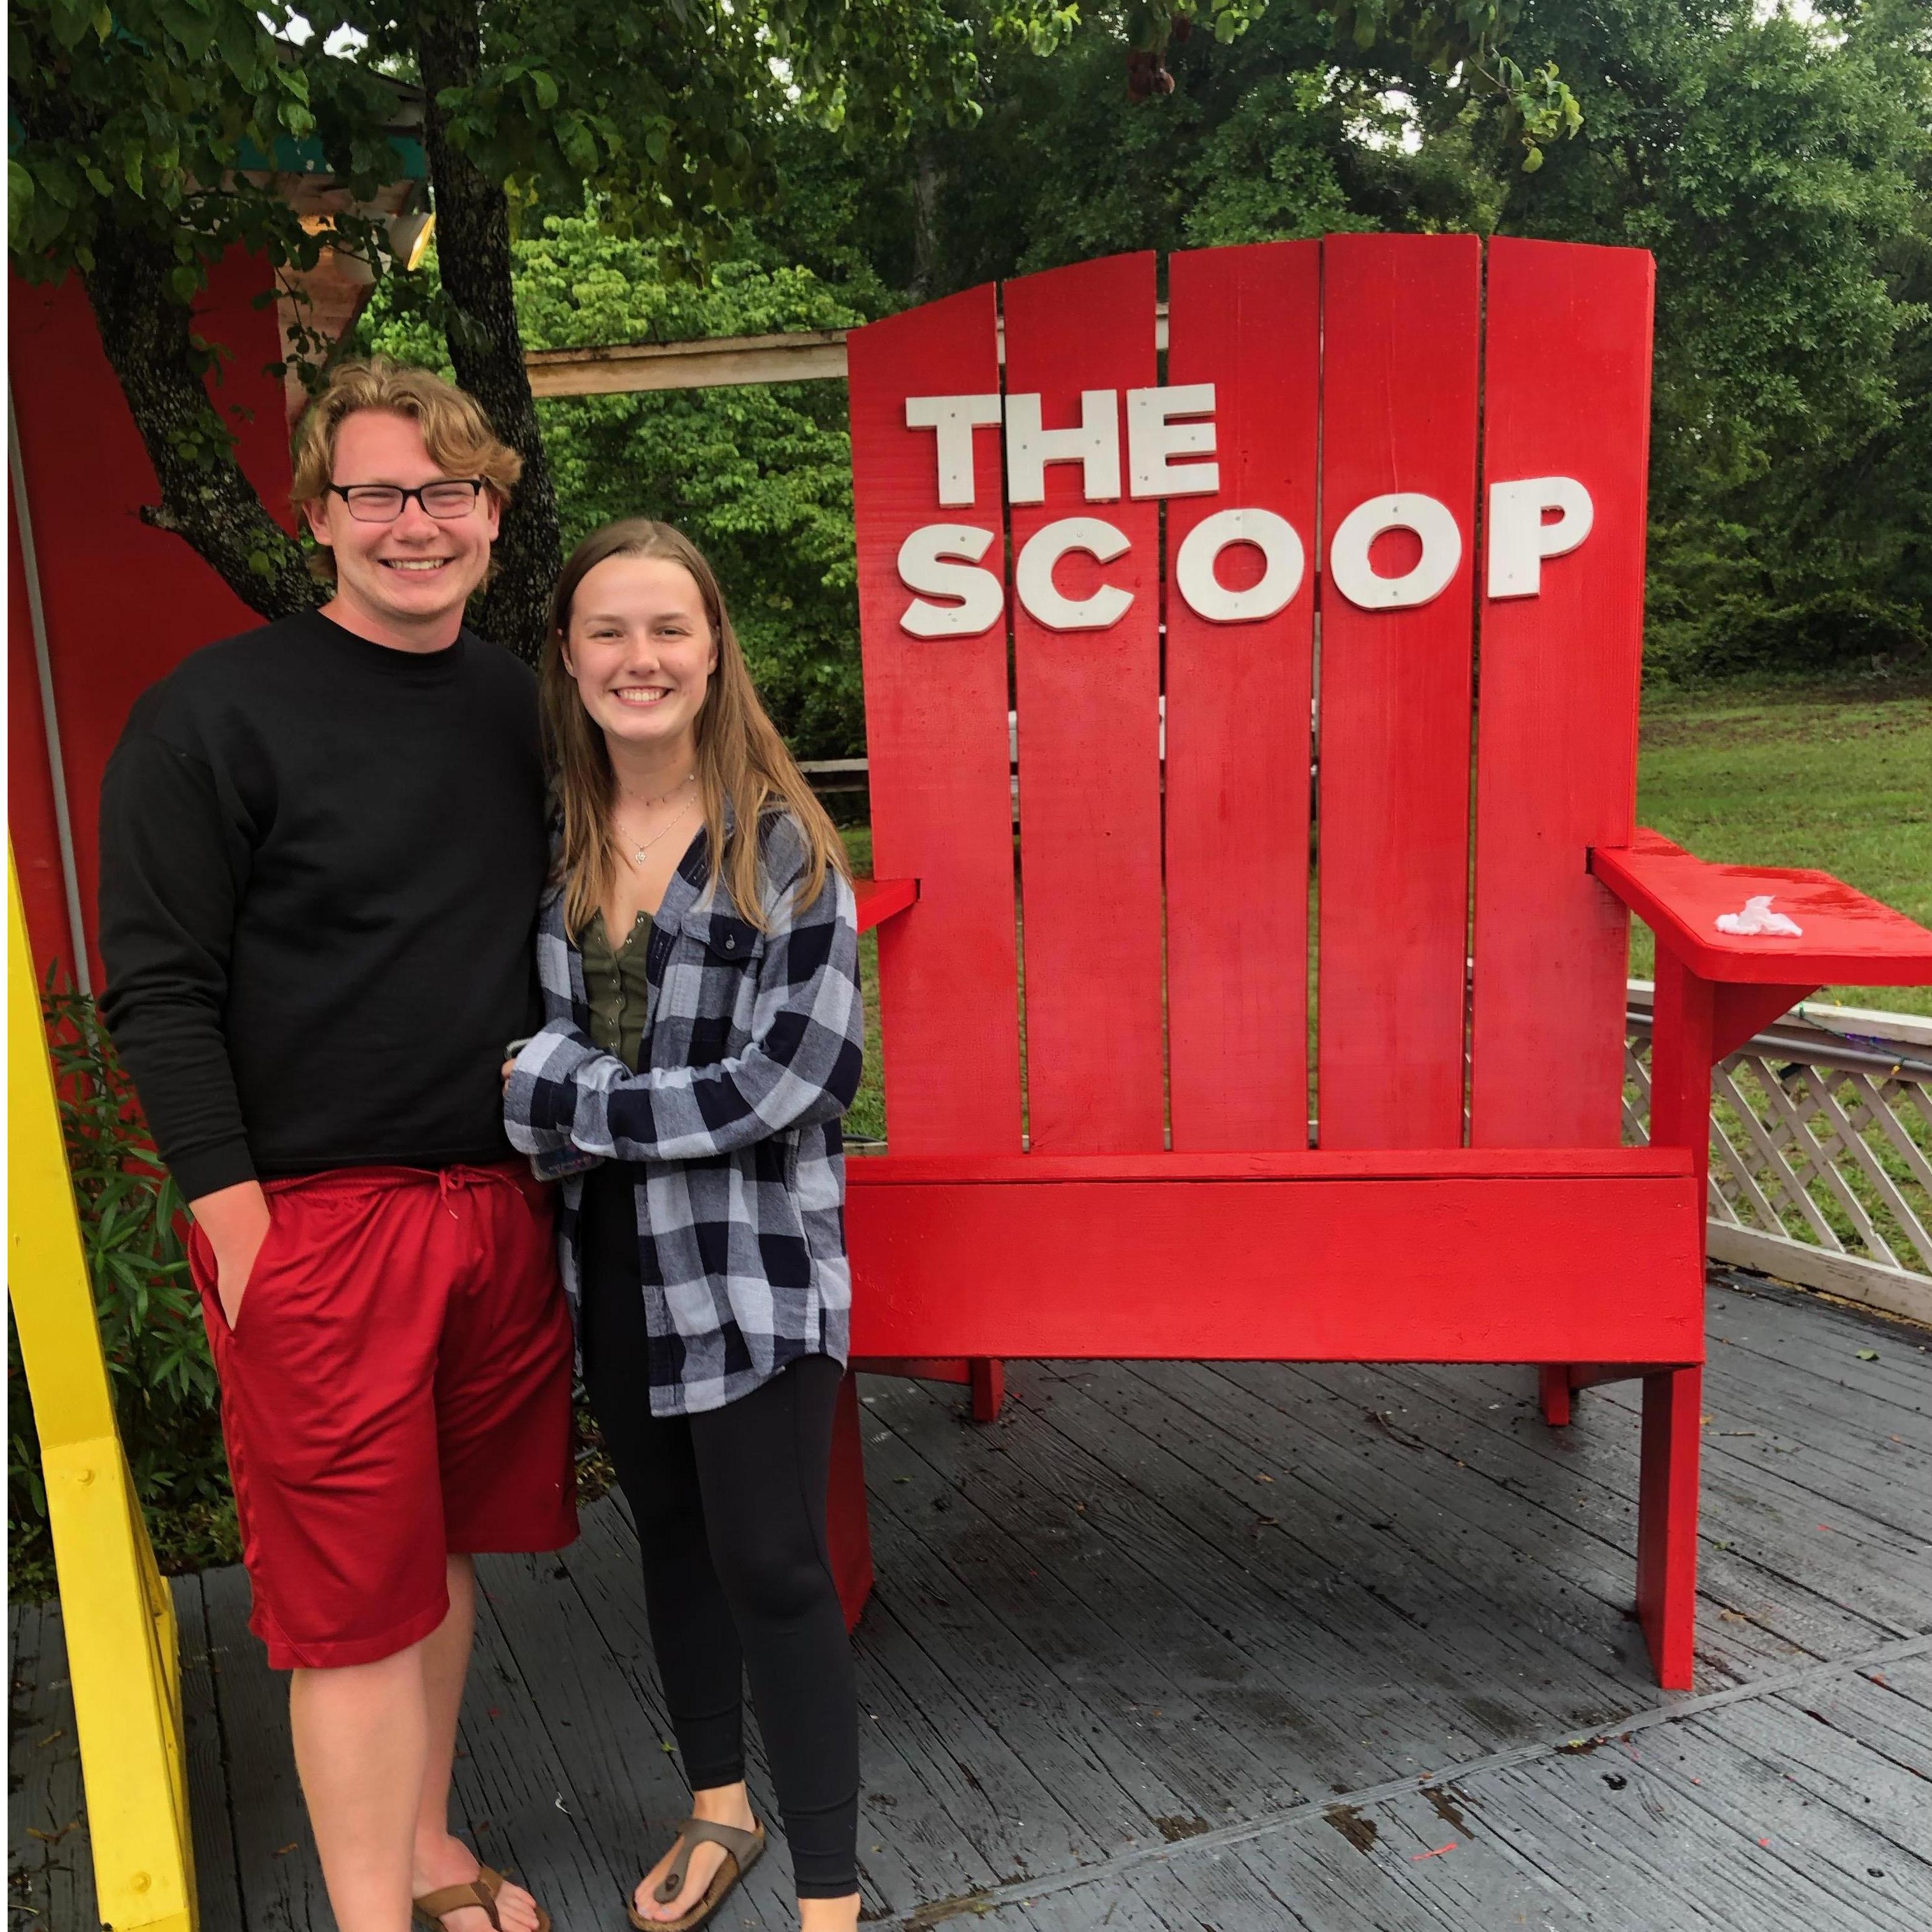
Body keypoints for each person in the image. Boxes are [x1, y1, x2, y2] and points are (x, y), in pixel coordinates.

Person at [97, 359, 575, 1932]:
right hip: (316, 1219)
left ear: (491, 515)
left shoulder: (520, 710)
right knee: (350, 1604)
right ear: (317, 516)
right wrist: (244, 1230)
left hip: (493, 1203)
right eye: (375, 492)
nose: (412, 523)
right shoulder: (213, 716)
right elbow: (157, 989)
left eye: (447, 492)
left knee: (439, 1559)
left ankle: (428, 1851)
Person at [503, 519, 865, 1932]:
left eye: (668, 629)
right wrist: (564, 1100)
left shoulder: (784, 851)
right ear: (567, 654)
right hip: (608, 1257)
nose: (638, 657)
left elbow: (796, 1082)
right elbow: (507, 1068)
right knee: (668, 1533)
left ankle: (829, 1897)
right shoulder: (548, 842)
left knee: (772, 1558)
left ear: (714, 651)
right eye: (608, 630)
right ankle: (720, 1804)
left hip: (753, 1261)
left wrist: (575, 1097)